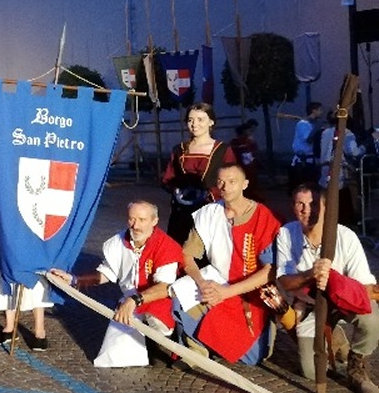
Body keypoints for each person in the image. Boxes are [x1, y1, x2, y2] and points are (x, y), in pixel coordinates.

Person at [169, 163, 280, 365]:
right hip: (216, 281)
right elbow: (187, 255)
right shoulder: (209, 213)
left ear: (244, 184)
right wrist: (202, 284)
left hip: (251, 292)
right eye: (221, 182)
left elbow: (269, 271)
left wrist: (225, 292)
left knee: (252, 357)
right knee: (180, 292)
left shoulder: (263, 217)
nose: (225, 187)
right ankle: (196, 350)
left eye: (232, 182)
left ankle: (218, 342)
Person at [47, 201, 184, 366]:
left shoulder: (166, 246)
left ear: (154, 221)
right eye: (132, 219)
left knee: (159, 323)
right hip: (129, 299)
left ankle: (166, 336)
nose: (135, 225)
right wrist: (75, 280)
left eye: (142, 220)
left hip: (156, 299)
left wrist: (135, 301)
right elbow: (106, 274)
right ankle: (144, 342)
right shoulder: (118, 241)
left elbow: (164, 287)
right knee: (113, 358)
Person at [275, 184, 379, 393]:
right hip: (310, 306)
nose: (307, 210)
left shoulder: (346, 236)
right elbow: (284, 281)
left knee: (372, 318)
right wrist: (310, 275)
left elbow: (366, 287)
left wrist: (335, 281)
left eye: (313, 204)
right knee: (311, 371)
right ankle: (337, 338)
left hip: (343, 301)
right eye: (300, 204)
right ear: (293, 207)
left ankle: (357, 368)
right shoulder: (286, 233)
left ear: (325, 207)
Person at [162, 102, 236, 244]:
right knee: (178, 249)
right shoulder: (179, 149)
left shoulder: (223, 150)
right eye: (190, 120)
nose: (195, 124)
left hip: (211, 211)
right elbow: (168, 178)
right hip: (181, 212)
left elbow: (233, 181)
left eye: (200, 119)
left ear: (211, 122)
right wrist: (177, 190)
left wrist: (211, 194)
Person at [290, 102, 323, 192]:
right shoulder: (303, 124)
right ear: (313, 111)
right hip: (303, 161)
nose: (321, 112)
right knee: (303, 188)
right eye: (320, 110)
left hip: (312, 160)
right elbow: (308, 139)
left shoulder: (312, 124)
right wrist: (317, 128)